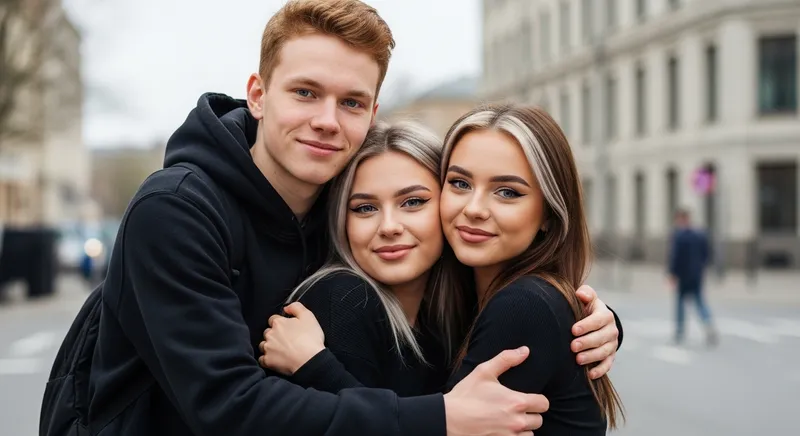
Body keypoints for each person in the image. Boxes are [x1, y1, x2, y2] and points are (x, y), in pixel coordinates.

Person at [83, 2, 617, 435]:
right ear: (258, 95)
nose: (326, 121)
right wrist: (444, 417)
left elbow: (509, 278)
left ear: (372, 113)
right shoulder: (177, 210)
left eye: (352, 102)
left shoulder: (336, 197)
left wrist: (591, 322)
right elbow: (226, 406)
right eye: (305, 93)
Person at [258, 120, 622, 409]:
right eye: (364, 208)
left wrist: (602, 323)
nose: (389, 227)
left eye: (413, 202)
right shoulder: (344, 297)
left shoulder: (458, 311)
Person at [438, 104, 625, 434]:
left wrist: (318, 362)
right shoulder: (473, 298)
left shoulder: (524, 304)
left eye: (507, 192)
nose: (474, 208)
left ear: (549, 215)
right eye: (460, 183)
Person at [668, 208, 718, 346]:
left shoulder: (679, 236)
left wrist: (672, 274)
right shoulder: (700, 235)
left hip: (683, 276)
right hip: (697, 275)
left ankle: (679, 331)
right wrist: (701, 269)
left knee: (680, 304)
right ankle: (708, 324)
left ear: (681, 219)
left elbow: (675, 257)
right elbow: (706, 254)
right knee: (700, 301)